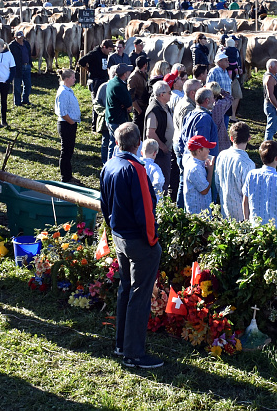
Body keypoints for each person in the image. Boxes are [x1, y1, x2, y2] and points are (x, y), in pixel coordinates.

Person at [99, 122, 163, 369]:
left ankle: (121, 344)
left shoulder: (109, 165)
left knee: (126, 288)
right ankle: (134, 354)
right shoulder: (136, 168)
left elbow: (104, 203)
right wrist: (152, 240)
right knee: (140, 294)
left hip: (119, 235)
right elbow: (146, 210)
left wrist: (113, 228)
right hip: (139, 239)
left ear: (117, 143)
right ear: (138, 144)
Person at [242, 140, 277, 229]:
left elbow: (245, 201)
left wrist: (246, 220)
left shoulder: (251, 174)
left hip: (254, 227)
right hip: (274, 228)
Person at [215, 122, 254, 221]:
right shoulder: (248, 164)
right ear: (249, 138)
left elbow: (217, 181)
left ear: (231, 138)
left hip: (225, 206)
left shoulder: (222, 155)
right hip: (242, 213)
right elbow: (250, 192)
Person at [143, 81, 173, 196]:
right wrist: (163, 146)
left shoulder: (164, 106)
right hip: (158, 153)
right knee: (161, 182)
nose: (171, 94)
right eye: (169, 92)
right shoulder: (154, 109)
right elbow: (150, 133)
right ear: (162, 95)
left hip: (163, 151)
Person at [79, 39, 115, 129]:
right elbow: (81, 61)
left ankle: (103, 122)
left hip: (104, 79)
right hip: (95, 81)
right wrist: (89, 69)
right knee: (97, 102)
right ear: (104, 47)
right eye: (109, 49)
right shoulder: (94, 54)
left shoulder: (107, 55)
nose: (110, 51)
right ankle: (94, 125)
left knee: (104, 101)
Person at [54, 69, 81, 185]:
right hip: (66, 125)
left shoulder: (67, 90)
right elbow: (62, 112)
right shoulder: (63, 92)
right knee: (66, 152)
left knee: (69, 151)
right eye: (73, 77)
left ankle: (68, 175)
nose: (75, 79)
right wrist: (71, 122)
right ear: (66, 79)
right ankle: (65, 177)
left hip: (69, 124)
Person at [105, 64, 134, 161]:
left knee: (112, 142)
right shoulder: (120, 86)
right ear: (125, 74)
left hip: (110, 117)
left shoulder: (112, 81)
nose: (130, 72)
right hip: (117, 119)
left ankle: (109, 163)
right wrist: (126, 106)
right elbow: (129, 106)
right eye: (128, 71)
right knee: (116, 143)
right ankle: (112, 164)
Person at [183, 135, 216, 215]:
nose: (209, 151)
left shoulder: (193, 162)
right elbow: (204, 190)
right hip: (198, 214)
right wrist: (211, 170)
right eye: (207, 148)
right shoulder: (195, 169)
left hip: (200, 212)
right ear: (199, 151)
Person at [262, 59, 277, 141]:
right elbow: (270, 95)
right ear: (270, 67)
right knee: (271, 127)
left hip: (275, 104)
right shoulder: (270, 78)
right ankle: (267, 144)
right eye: (276, 66)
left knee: (274, 126)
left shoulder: (273, 76)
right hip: (272, 105)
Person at [8, 30, 33, 106]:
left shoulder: (26, 43)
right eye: (18, 38)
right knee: (17, 86)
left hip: (27, 66)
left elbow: (29, 54)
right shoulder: (11, 46)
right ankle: (17, 102)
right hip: (17, 68)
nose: (20, 39)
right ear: (15, 37)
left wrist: (30, 63)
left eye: (21, 37)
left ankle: (25, 100)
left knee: (28, 85)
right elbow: (10, 57)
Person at [223, 37, 243, 120]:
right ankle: (225, 115)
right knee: (227, 96)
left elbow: (238, 60)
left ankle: (233, 115)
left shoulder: (235, 51)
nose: (237, 43)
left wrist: (239, 68)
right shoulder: (222, 51)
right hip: (225, 79)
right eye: (235, 41)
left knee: (237, 95)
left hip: (234, 78)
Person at [128, 56, 150, 126]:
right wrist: (139, 110)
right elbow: (131, 96)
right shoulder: (134, 77)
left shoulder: (143, 74)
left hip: (144, 107)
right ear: (145, 65)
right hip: (139, 110)